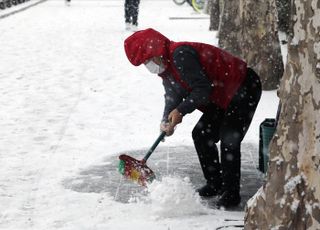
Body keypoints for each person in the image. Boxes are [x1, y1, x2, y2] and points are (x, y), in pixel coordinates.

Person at [124, 28, 262, 208]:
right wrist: (166, 119)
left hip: (242, 86)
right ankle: (214, 183)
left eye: (148, 60)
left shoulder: (180, 55)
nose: (148, 66)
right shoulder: (166, 70)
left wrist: (181, 111)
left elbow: (202, 90)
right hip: (221, 94)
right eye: (144, 63)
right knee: (202, 134)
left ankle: (231, 193)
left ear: (157, 51)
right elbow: (172, 95)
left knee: (230, 139)